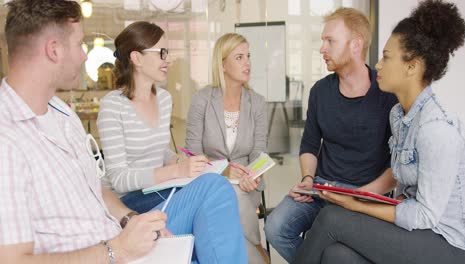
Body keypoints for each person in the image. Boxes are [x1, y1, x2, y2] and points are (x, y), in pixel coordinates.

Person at [0, 1, 247, 263]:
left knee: (212, 198)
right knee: (208, 213)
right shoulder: (8, 140)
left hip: (118, 235)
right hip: (109, 250)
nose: (85, 55)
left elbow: (94, 188)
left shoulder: (61, 114)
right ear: (53, 50)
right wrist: (117, 249)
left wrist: (130, 219)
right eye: (79, 43)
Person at [294, 0, 465, 263]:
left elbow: (424, 216)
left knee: (331, 218)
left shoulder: (436, 129)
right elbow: (398, 184)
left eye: (386, 57)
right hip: (415, 231)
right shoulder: (399, 115)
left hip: (445, 243)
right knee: (336, 255)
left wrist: (359, 205)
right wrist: (356, 197)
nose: (377, 65)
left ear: (412, 66)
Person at [264, 7, 398, 263]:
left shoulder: (387, 95)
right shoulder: (320, 91)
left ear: (356, 45)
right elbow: (310, 144)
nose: (321, 48)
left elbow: (397, 166)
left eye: (330, 41)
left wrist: (361, 196)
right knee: (275, 227)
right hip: (321, 187)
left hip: (364, 193)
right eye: (322, 40)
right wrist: (307, 179)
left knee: (335, 250)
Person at [97, 21, 210, 214]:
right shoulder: (112, 106)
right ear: (136, 58)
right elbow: (119, 179)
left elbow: (157, 152)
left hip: (155, 188)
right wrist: (175, 171)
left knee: (211, 186)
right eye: (161, 52)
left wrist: (177, 160)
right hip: (124, 201)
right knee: (207, 192)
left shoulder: (164, 99)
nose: (167, 59)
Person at [185, 33, 269, 264]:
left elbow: (259, 153)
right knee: (229, 195)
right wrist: (222, 171)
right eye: (239, 57)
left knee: (237, 195)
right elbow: (192, 152)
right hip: (210, 181)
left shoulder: (258, 102)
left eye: (248, 56)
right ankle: (257, 249)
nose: (248, 63)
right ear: (222, 64)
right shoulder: (202, 99)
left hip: (248, 184)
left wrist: (253, 174)